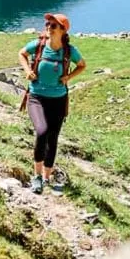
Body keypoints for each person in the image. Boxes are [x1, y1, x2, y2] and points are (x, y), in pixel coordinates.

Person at [18, 12, 86, 194]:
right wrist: (27, 70)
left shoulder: (70, 51)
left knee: (53, 137)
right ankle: (37, 176)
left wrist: (68, 77)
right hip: (36, 97)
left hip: (59, 100)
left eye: (53, 25)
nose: (49, 27)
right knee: (42, 131)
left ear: (63, 30)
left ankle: (47, 177)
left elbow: (82, 65)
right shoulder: (39, 45)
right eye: (47, 24)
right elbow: (22, 54)